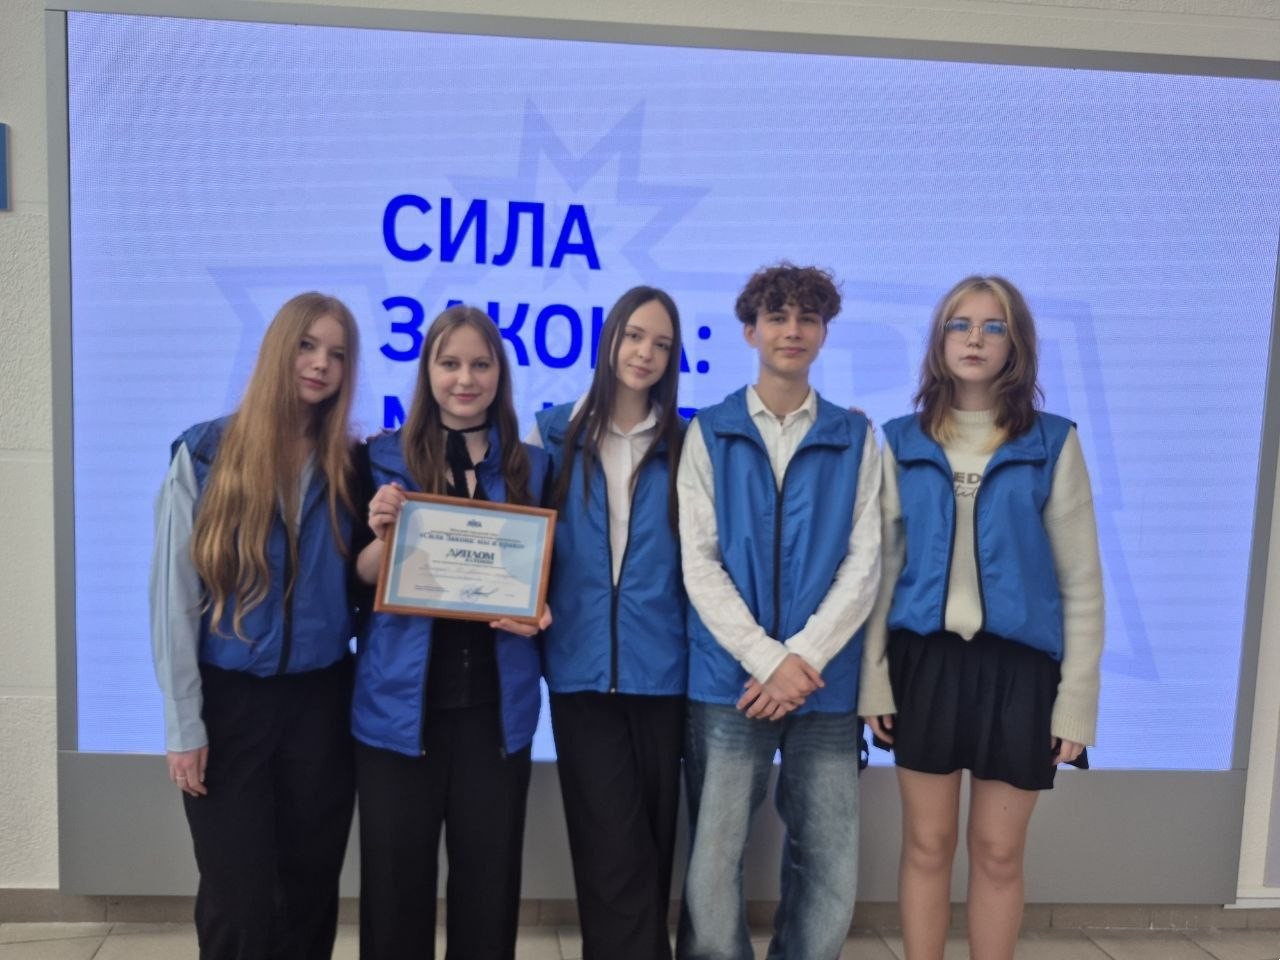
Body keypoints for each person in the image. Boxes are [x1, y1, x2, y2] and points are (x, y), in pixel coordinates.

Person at [859, 275, 1103, 960]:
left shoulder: (1052, 443)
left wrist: (1077, 700)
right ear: (939, 342)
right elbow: (879, 574)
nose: (975, 339)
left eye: (993, 327)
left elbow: (1081, 583)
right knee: (927, 844)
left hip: (1019, 672)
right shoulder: (901, 441)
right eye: (959, 325)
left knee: (997, 853)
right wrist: (873, 680)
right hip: (925, 666)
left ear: (1015, 345)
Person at [676, 263, 881, 960]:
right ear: (750, 331)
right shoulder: (710, 431)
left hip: (825, 682)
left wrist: (803, 659)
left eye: (807, 319)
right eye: (777, 317)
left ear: (823, 333)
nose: (792, 331)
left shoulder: (856, 437)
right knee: (714, 857)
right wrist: (768, 660)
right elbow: (699, 562)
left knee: (829, 858)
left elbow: (866, 561)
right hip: (729, 680)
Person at [149, 291, 361, 960]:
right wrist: (184, 724)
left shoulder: (353, 466)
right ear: (277, 350)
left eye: (337, 354)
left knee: (309, 892)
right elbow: (172, 597)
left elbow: (368, 582)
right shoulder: (206, 454)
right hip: (229, 704)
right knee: (239, 900)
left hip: (322, 704)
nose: (321, 364)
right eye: (307, 346)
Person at [353, 304, 552, 960]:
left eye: (480, 364)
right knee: (394, 894)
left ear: (499, 374)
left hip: (496, 715)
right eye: (450, 363)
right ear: (427, 372)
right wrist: (383, 534)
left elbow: (549, 581)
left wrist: (541, 612)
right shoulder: (378, 458)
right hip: (396, 711)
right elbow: (357, 576)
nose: (465, 379)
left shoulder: (532, 466)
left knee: (488, 895)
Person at [529, 286, 687, 960]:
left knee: (650, 846)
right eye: (634, 336)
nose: (645, 353)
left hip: (664, 672)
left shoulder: (688, 442)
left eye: (661, 344)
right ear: (610, 339)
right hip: (579, 670)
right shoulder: (552, 433)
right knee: (608, 848)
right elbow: (516, 534)